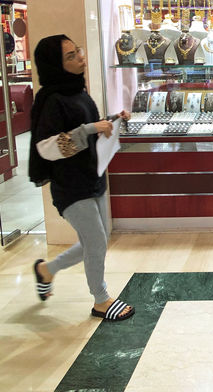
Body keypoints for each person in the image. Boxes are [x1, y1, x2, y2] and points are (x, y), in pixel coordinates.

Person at [28, 34, 134, 322]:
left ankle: (47, 270)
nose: (80, 58)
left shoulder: (78, 90)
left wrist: (111, 119)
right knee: (96, 241)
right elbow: (47, 147)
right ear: (55, 65)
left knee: (96, 240)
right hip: (71, 185)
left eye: (78, 52)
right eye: (71, 56)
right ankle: (101, 300)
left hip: (92, 175)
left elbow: (85, 127)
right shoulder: (51, 100)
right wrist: (90, 129)